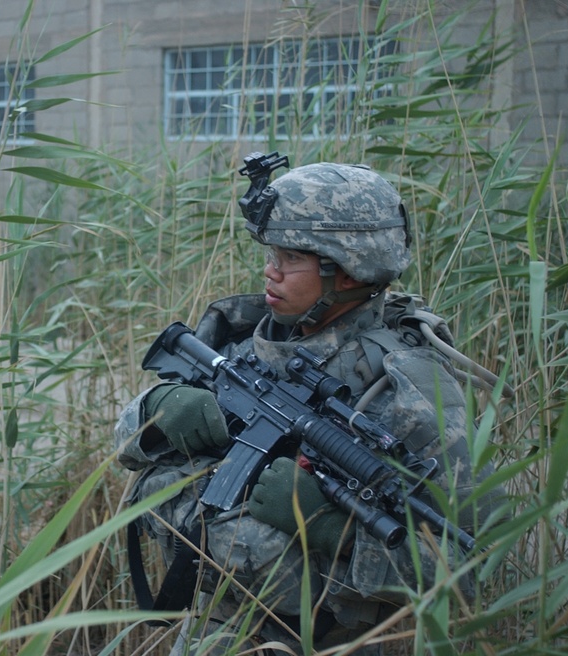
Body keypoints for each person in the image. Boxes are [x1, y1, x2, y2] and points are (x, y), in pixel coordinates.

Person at [114, 155, 504, 655]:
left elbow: (473, 574)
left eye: (290, 258)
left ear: (346, 271)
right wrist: (157, 409)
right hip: (214, 631)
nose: (269, 272)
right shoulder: (243, 336)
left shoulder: (412, 391)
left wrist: (337, 532)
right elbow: (126, 448)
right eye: (270, 253)